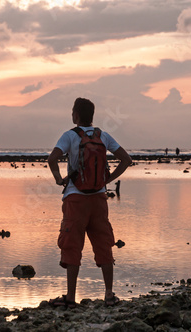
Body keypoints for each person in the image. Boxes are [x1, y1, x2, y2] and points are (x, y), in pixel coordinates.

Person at [47, 97, 132, 308]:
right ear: (92, 116)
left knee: (72, 245)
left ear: (75, 115)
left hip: (75, 199)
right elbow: (126, 160)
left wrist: (59, 179)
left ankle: (70, 298)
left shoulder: (70, 136)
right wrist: (108, 180)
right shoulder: (103, 136)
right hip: (99, 198)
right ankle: (109, 294)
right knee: (103, 243)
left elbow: (52, 158)